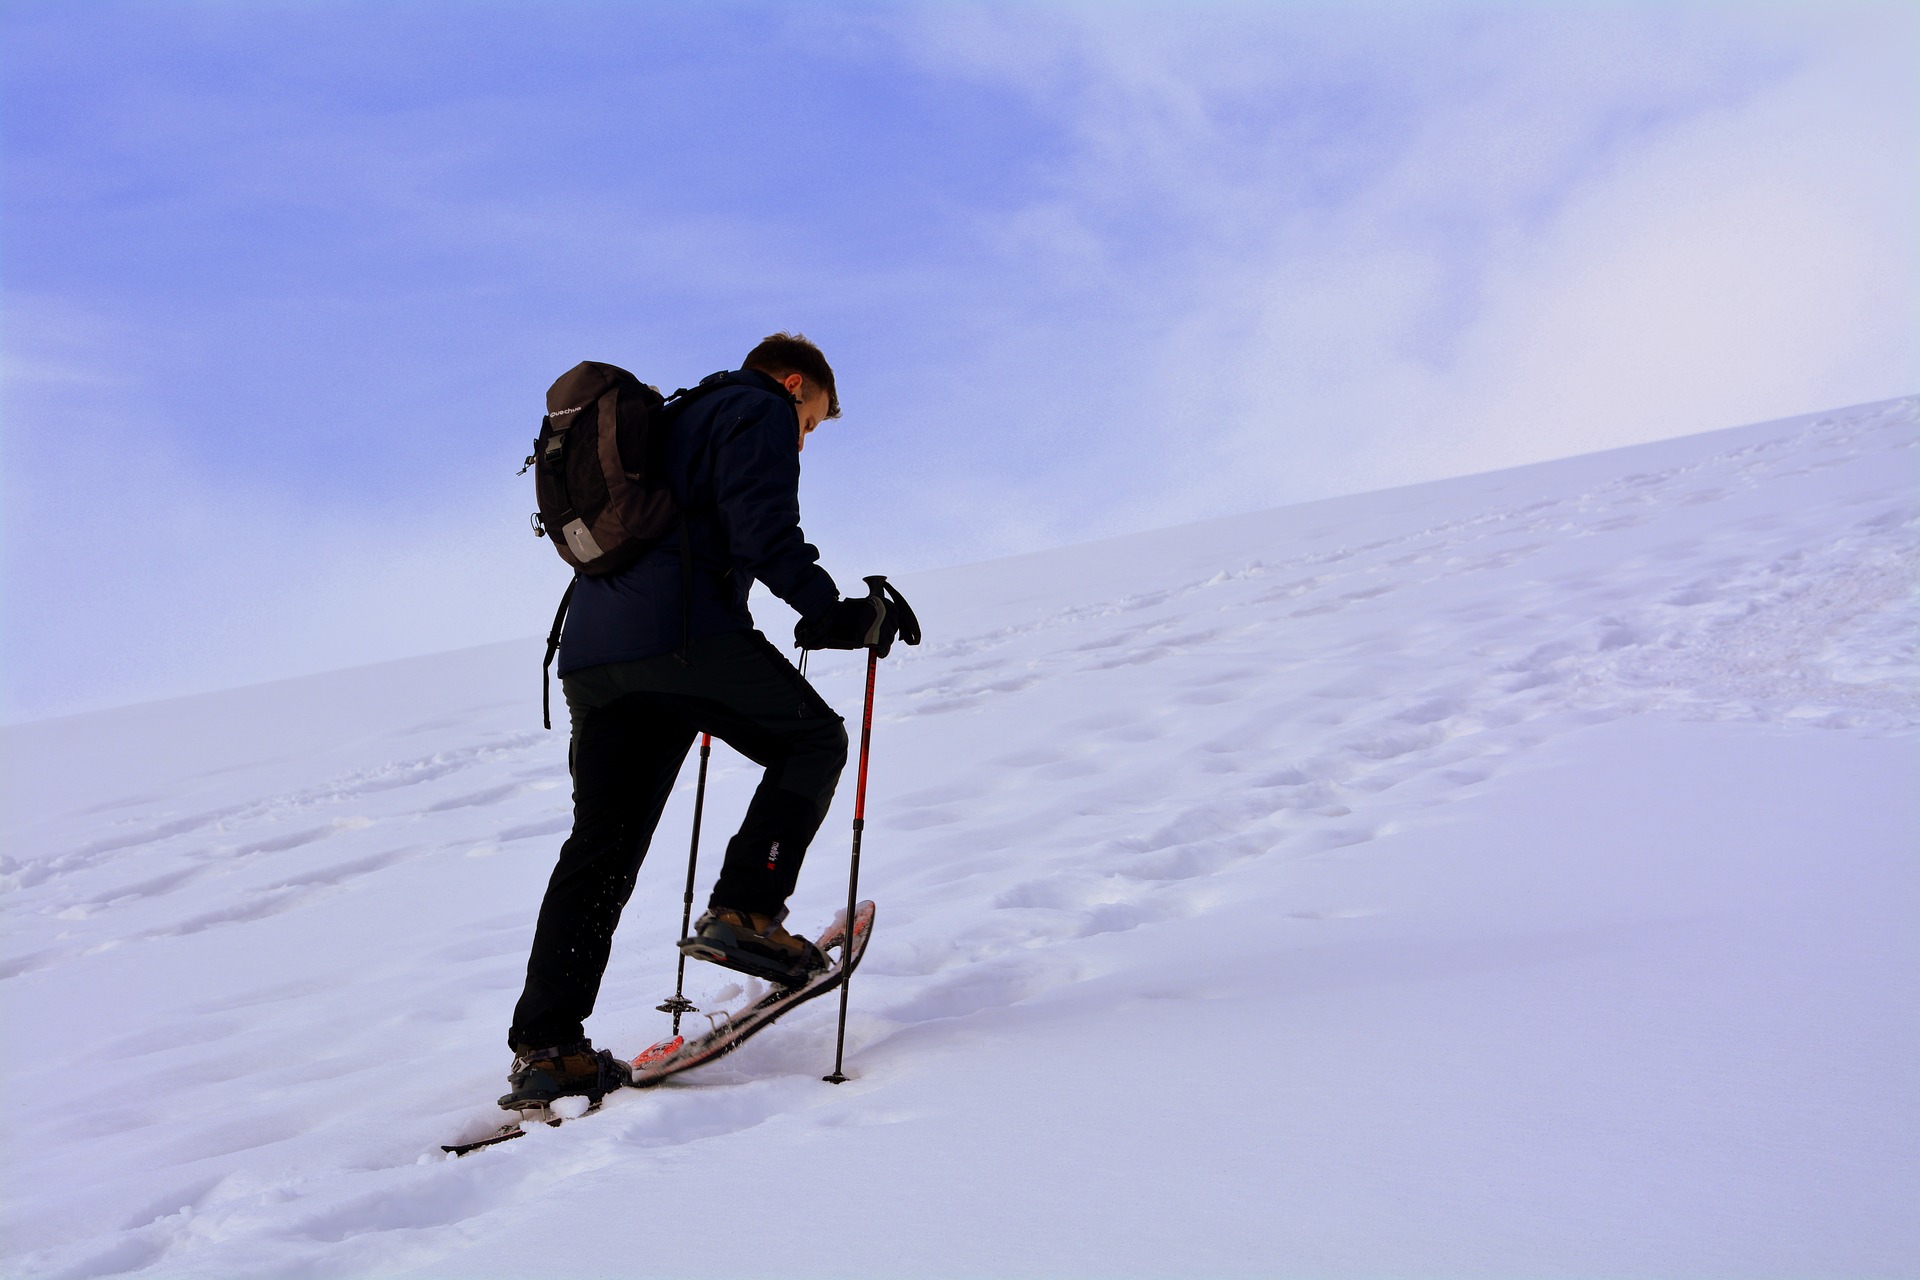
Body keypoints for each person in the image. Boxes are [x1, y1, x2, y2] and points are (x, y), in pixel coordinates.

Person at [501, 333, 903, 1108]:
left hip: (591, 658)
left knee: (601, 852)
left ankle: (549, 1048)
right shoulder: (756, 408)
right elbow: (763, 529)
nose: (805, 436)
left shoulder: (674, 417)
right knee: (813, 739)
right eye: (813, 422)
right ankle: (746, 908)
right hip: (683, 638)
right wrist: (833, 614)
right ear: (794, 385)